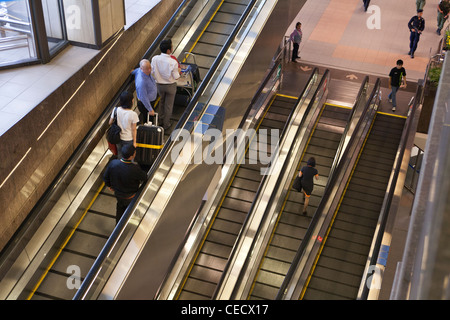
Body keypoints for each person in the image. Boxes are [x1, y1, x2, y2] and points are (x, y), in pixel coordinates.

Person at [103, 144, 147, 224]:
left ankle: (118, 227)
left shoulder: (113, 163)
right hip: (130, 196)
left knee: (120, 208)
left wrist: (110, 185)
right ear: (132, 156)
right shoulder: (134, 168)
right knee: (131, 210)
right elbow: (144, 177)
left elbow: (105, 177)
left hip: (118, 195)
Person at [151, 39, 181, 131]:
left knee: (162, 102)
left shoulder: (155, 59)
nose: (172, 47)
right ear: (168, 50)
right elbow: (176, 77)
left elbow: (152, 72)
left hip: (159, 85)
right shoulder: (173, 62)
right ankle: (166, 124)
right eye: (171, 46)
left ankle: (160, 120)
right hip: (170, 86)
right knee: (168, 105)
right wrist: (179, 71)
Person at [110, 91, 139, 159]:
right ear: (131, 101)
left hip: (118, 137)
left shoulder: (115, 109)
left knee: (120, 154)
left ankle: (120, 166)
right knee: (130, 156)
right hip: (128, 139)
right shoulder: (133, 114)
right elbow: (134, 129)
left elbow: (110, 122)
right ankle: (128, 168)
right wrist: (134, 142)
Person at [132, 59, 157, 124]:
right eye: (147, 69)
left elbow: (135, 71)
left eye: (149, 67)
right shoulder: (141, 82)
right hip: (145, 104)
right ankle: (149, 132)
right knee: (148, 120)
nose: (149, 70)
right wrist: (150, 109)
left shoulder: (139, 71)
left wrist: (132, 71)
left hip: (149, 101)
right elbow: (143, 97)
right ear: (141, 68)